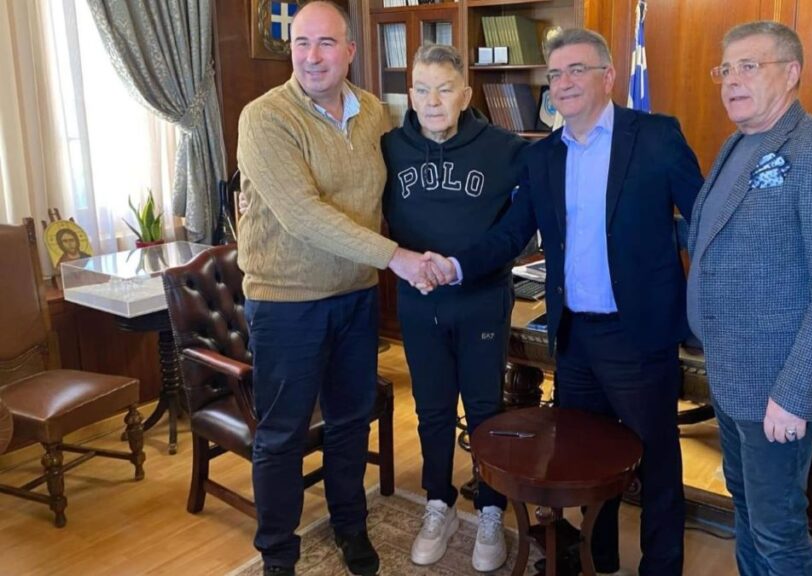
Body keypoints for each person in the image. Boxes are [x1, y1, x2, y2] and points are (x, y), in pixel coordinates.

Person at [424, 28, 704, 576]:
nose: (565, 82)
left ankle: (662, 566)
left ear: (608, 76)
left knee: (657, 461)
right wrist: (455, 266)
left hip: (638, 334)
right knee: (587, 458)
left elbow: (705, 221)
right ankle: (601, 557)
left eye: (578, 69)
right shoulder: (544, 155)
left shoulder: (655, 136)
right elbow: (511, 233)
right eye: (555, 74)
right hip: (574, 336)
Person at [235, 2, 433, 575]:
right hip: (286, 302)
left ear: (350, 51)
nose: (312, 56)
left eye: (326, 43)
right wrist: (397, 258)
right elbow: (302, 214)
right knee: (282, 435)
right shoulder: (264, 118)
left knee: (350, 421)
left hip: (355, 296)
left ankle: (350, 526)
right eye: (302, 43)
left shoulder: (374, 112)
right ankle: (278, 556)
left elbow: (401, 187)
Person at [689, 21, 812, 575]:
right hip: (730, 373)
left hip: (777, 385)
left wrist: (795, 394)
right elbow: (719, 242)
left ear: (791, 73)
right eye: (726, 69)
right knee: (748, 511)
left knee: (778, 532)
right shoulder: (737, 144)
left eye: (749, 66)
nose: (732, 80)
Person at [381, 43, 528, 572]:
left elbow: (525, 221)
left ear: (466, 95)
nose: (433, 101)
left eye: (445, 89)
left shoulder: (505, 149)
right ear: (410, 94)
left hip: (481, 300)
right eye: (422, 90)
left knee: (485, 408)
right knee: (432, 409)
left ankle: (490, 509)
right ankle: (438, 502)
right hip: (419, 303)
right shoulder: (389, 148)